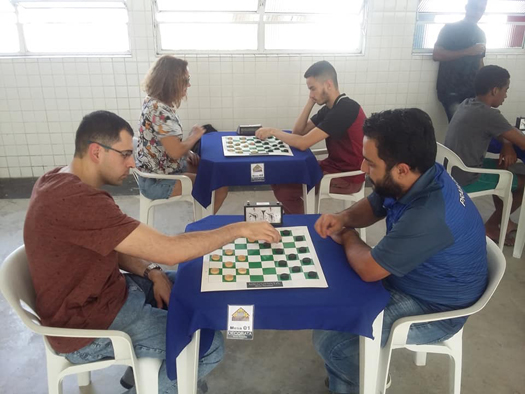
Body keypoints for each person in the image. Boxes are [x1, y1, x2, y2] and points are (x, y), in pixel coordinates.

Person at [23, 111, 280, 393]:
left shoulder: (59, 178)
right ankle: (161, 383)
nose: (133, 163)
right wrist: (238, 229)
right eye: (124, 154)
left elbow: (114, 243)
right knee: (209, 348)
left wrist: (152, 272)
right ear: (96, 152)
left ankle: (166, 375)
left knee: (196, 285)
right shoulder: (76, 201)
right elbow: (169, 250)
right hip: (87, 326)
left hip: (109, 293)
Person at [312, 109, 487, 394]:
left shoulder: (428, 214)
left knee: (331, 342)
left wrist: (346, 235)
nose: (362, 168)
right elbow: (375, 203)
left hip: (435, 307)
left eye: (370, 163)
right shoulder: (421, 174)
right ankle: (353, 373)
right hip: (417, 278)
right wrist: (343, 218)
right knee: (329, 299)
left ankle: (368, 379)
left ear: (402, 169)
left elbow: (369, 269)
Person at [255, 60, 366, 214]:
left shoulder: (345, 109)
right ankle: (295, 217)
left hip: (347, 177)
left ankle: (305, 225)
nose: (311, 93)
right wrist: (311, 101)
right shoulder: (330, 108)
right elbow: (298, 132)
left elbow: (302, 143)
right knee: (278, 176)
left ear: (328, 84)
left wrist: (273, 131)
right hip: (332, 167)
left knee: (285, 191)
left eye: (313, 88)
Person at [135, 55, 227, 213]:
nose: (189, 85)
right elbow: (175, 151)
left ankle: (201, 216)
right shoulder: (159, 109)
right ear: (171, 81)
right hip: (157, 182)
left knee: (210, 169)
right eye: (185, 80)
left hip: (161, 170)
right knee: (220, 184)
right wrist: (194, 136)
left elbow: (164, 145)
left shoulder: (153, 102)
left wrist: (187, 150)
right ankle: (204, 227)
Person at [445, 65, 525, 245]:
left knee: (504, 167)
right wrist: (511, 141)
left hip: (452, 169)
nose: (505, 95)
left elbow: (504, 132)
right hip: (467, 176)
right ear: (495, 90)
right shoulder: (489, 115)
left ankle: (506, 221)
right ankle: (492, 226)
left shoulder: (468, 103)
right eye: (506, 90)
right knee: (521, 181)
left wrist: (507, 144)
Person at [433, 0, 487, 121]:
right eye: (475, 8)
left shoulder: (481, 33)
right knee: (459, 126)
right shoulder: (450, 28)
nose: (478, 13)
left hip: (472, 90)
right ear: (467, 7)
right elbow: (437, 55)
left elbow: (479, 62)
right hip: (450, 90)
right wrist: (468, 51)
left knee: (474, 127)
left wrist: (484, 86)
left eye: (481, 9)